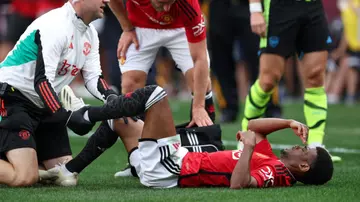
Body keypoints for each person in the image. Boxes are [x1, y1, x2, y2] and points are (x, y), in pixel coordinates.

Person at [40, 84, 333, 188]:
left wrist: (246, 150)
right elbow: (255, 124)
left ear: (303, 166)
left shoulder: (277, 173)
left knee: (155, 95)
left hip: (174, 168)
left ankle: (85, 114)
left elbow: (238, 184)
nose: (297, 146)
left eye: (303, 150)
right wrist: (288, 121)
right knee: (121, 120)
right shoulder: (272, 159)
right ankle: (68, 171)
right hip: (167, 164)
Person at [0, 0, 116, 187]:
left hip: (43, 101)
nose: (107, 1)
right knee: (24, 177)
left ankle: (19, 155)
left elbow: (94, 77)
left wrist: (112, 98)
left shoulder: (91, 33)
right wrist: (66, 117)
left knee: (66, 177)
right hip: (12, 97)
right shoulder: (55, 25)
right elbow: (42, 81)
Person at [240, 0, 341, 162]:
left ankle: (316, 146)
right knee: (268, 80)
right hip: (279, 7)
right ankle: (246, 137)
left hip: (312, 7)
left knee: (315, 77)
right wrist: (255, 9)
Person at [108, 0, 215, 127]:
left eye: (170, 2)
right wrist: (127, 28)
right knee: (130, 83)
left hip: (180, 27)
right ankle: (137, 138)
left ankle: (205, 128)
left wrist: (199, 107)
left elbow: (200, 58)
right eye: (161, 3)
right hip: (140, 26)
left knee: (199, 80)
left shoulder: (189, 5)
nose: (166, 8)